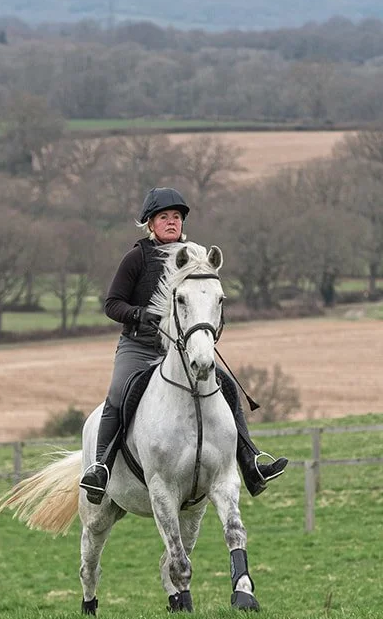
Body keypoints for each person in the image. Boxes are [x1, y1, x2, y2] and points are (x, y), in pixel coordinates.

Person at [80, 186, 289, 504]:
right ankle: (100, 469)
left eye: (176, 216)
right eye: (164, 217)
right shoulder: (136, 258)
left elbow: (209, 298)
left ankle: (251, 464)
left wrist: (211, 327)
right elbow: (112, 304)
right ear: (150, 223)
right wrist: (140, 314)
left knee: (228, 387)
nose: (171, 222)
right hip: (140, 346)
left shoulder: (195, 257)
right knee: (119, 393)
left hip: (181, 348)